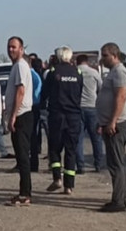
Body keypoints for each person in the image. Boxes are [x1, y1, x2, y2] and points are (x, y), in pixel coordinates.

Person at [96, 42, 126, 212]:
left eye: (105, 55)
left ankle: (119, 200)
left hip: (117, 125)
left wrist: (112, 121)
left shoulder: (119, 72)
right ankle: (119, 197)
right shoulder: (112, 73)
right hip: (109, 123)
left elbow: (121, 97)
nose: (102, 59)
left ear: (114, 55)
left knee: (117, 163)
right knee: (114, 162)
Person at [45, 47, 83, 194]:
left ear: (58, 57)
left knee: (54, 149)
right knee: (71, 151)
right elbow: (80, 91)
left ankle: (56, 178)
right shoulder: (77, 72)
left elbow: (45, 93)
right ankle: (69, 186)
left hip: (57, 116)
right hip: (74, 117)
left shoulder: (53, 72)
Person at [4, 37, 34, 205]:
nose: (11, 50)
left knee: (23, 156)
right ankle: (24, 191)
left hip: (22, 116)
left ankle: (25, 194)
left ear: (21, 49)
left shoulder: (21, 66)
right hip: (19, 115)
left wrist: (14, 116)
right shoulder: (16, 66)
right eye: (9, 47)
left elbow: (20, 91)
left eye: (14, 47)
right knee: (21, 156)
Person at [75, 54, 105, 173]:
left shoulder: (75, 72)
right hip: (92, 107)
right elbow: (101, 89)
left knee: (78, 138)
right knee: (96, 138)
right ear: (87, 62)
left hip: (78, 107)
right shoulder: (94, 73)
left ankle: (80, 166)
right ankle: (98, 164)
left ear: (77, 62)